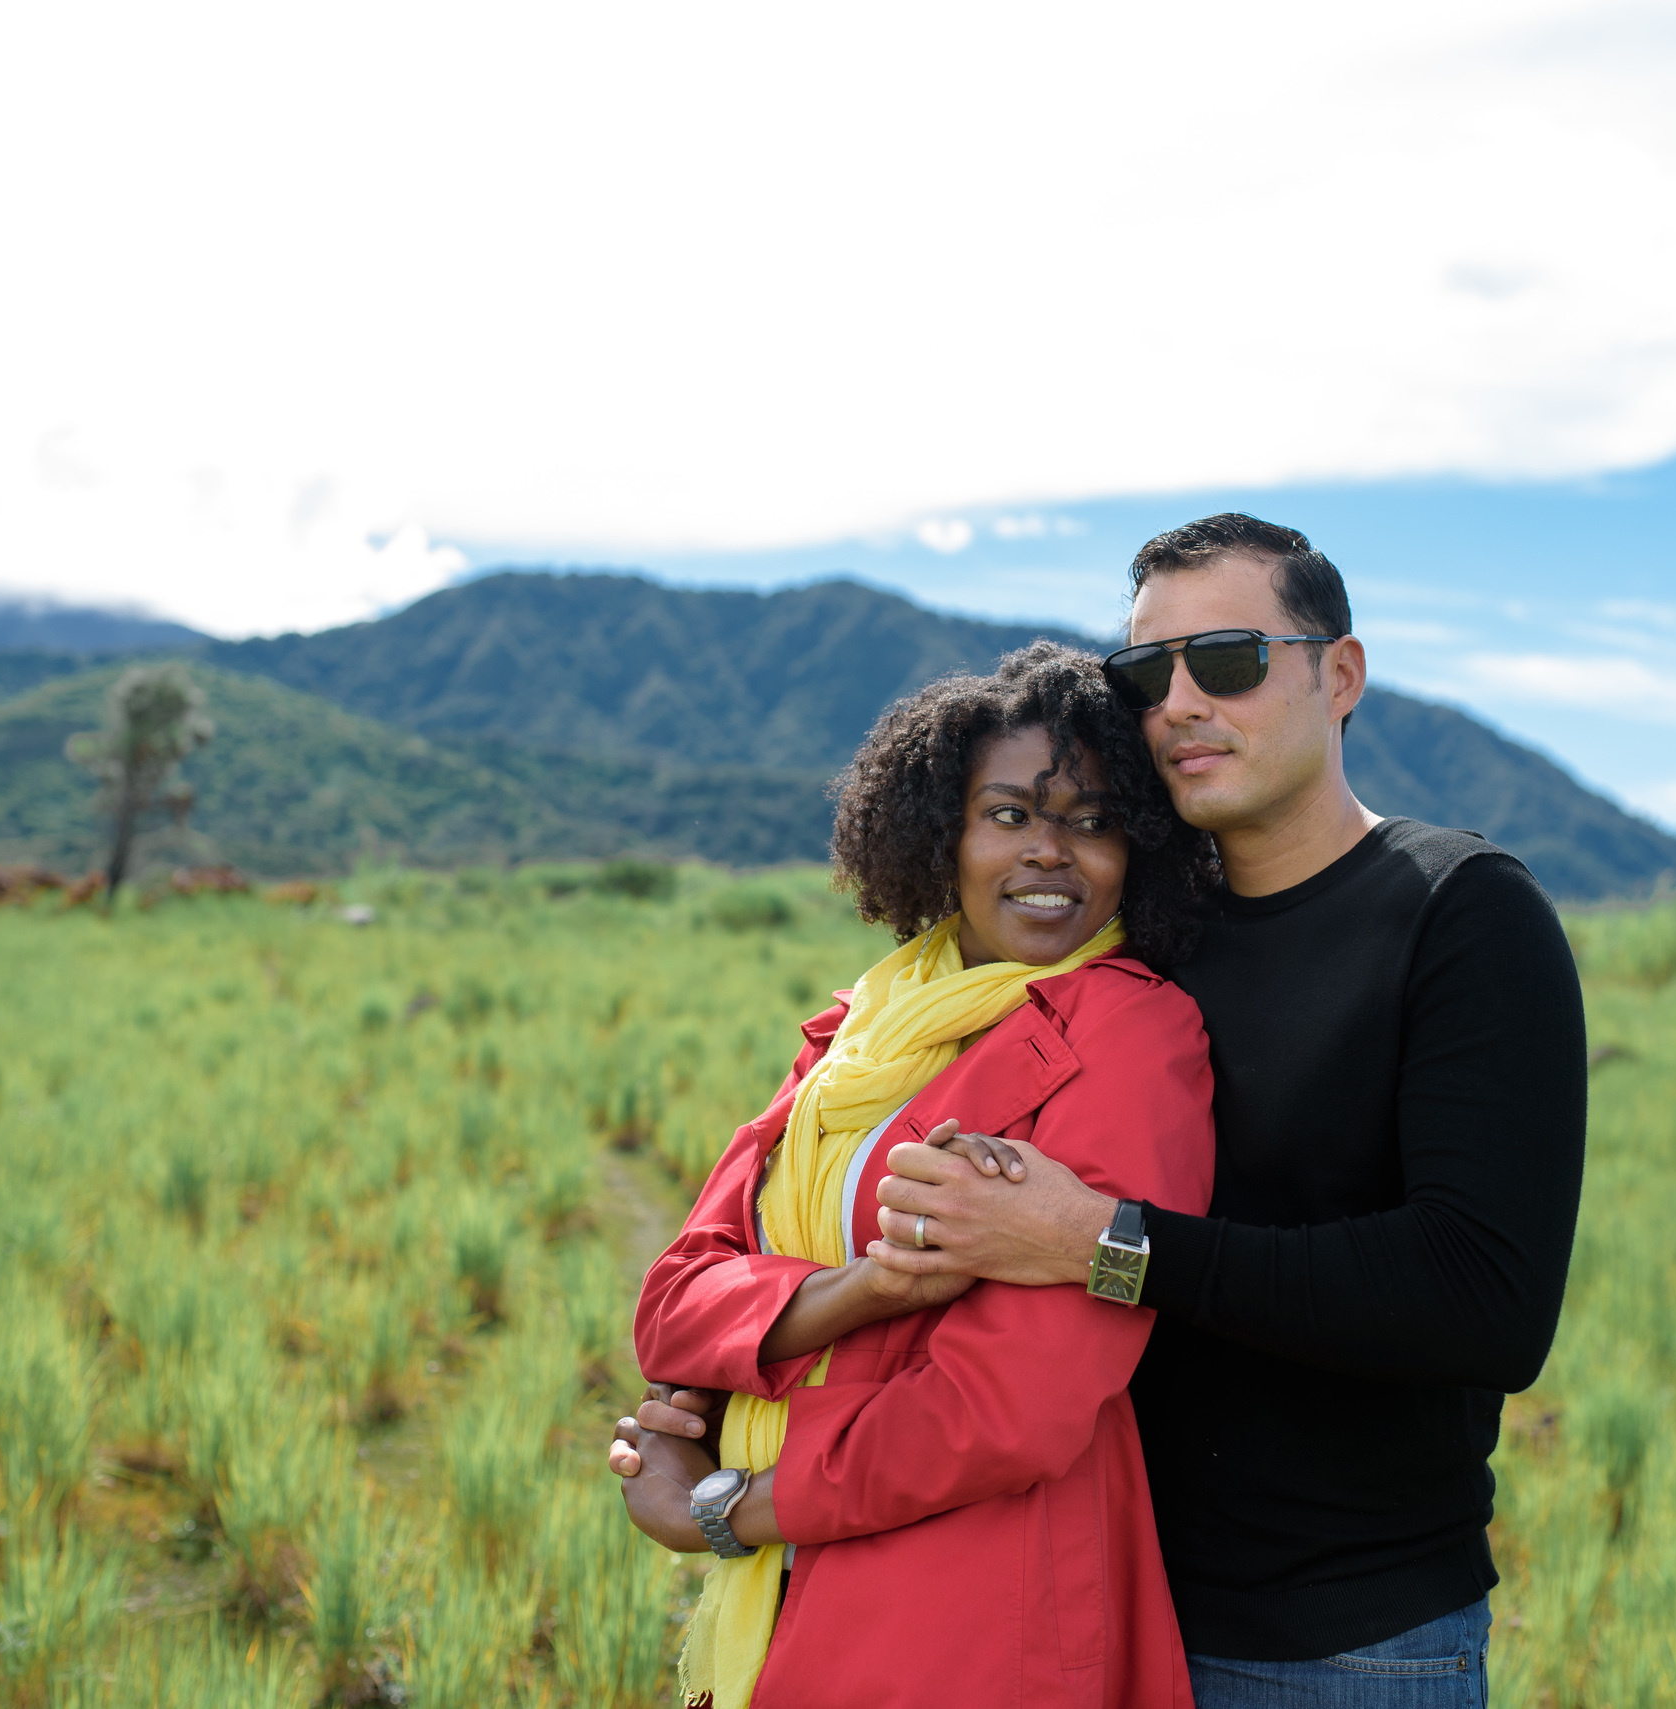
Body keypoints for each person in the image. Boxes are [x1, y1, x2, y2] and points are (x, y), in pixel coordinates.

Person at [665, 515, 1589, 1706]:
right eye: (1148, 672)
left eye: (1232, 659)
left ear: (1339, 674)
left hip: (1336, 1636)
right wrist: (712, 1391)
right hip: (1089, 1594)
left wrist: (1104, 1245)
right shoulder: (1134, 944)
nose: (1183, 701)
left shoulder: (1456, 912)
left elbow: (1484, 1304)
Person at [607, 641, 1222, 1709]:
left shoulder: (1133, 1033)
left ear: (1141, 848)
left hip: (971, 1610)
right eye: (1011, 815)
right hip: (791, 1592)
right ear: (941, 832)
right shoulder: (858, 1029)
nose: (1052, 853)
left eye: (1092, 821)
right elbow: (672, 1303)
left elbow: (1011, 1407)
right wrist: (867, 1289)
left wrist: (722, 1501)